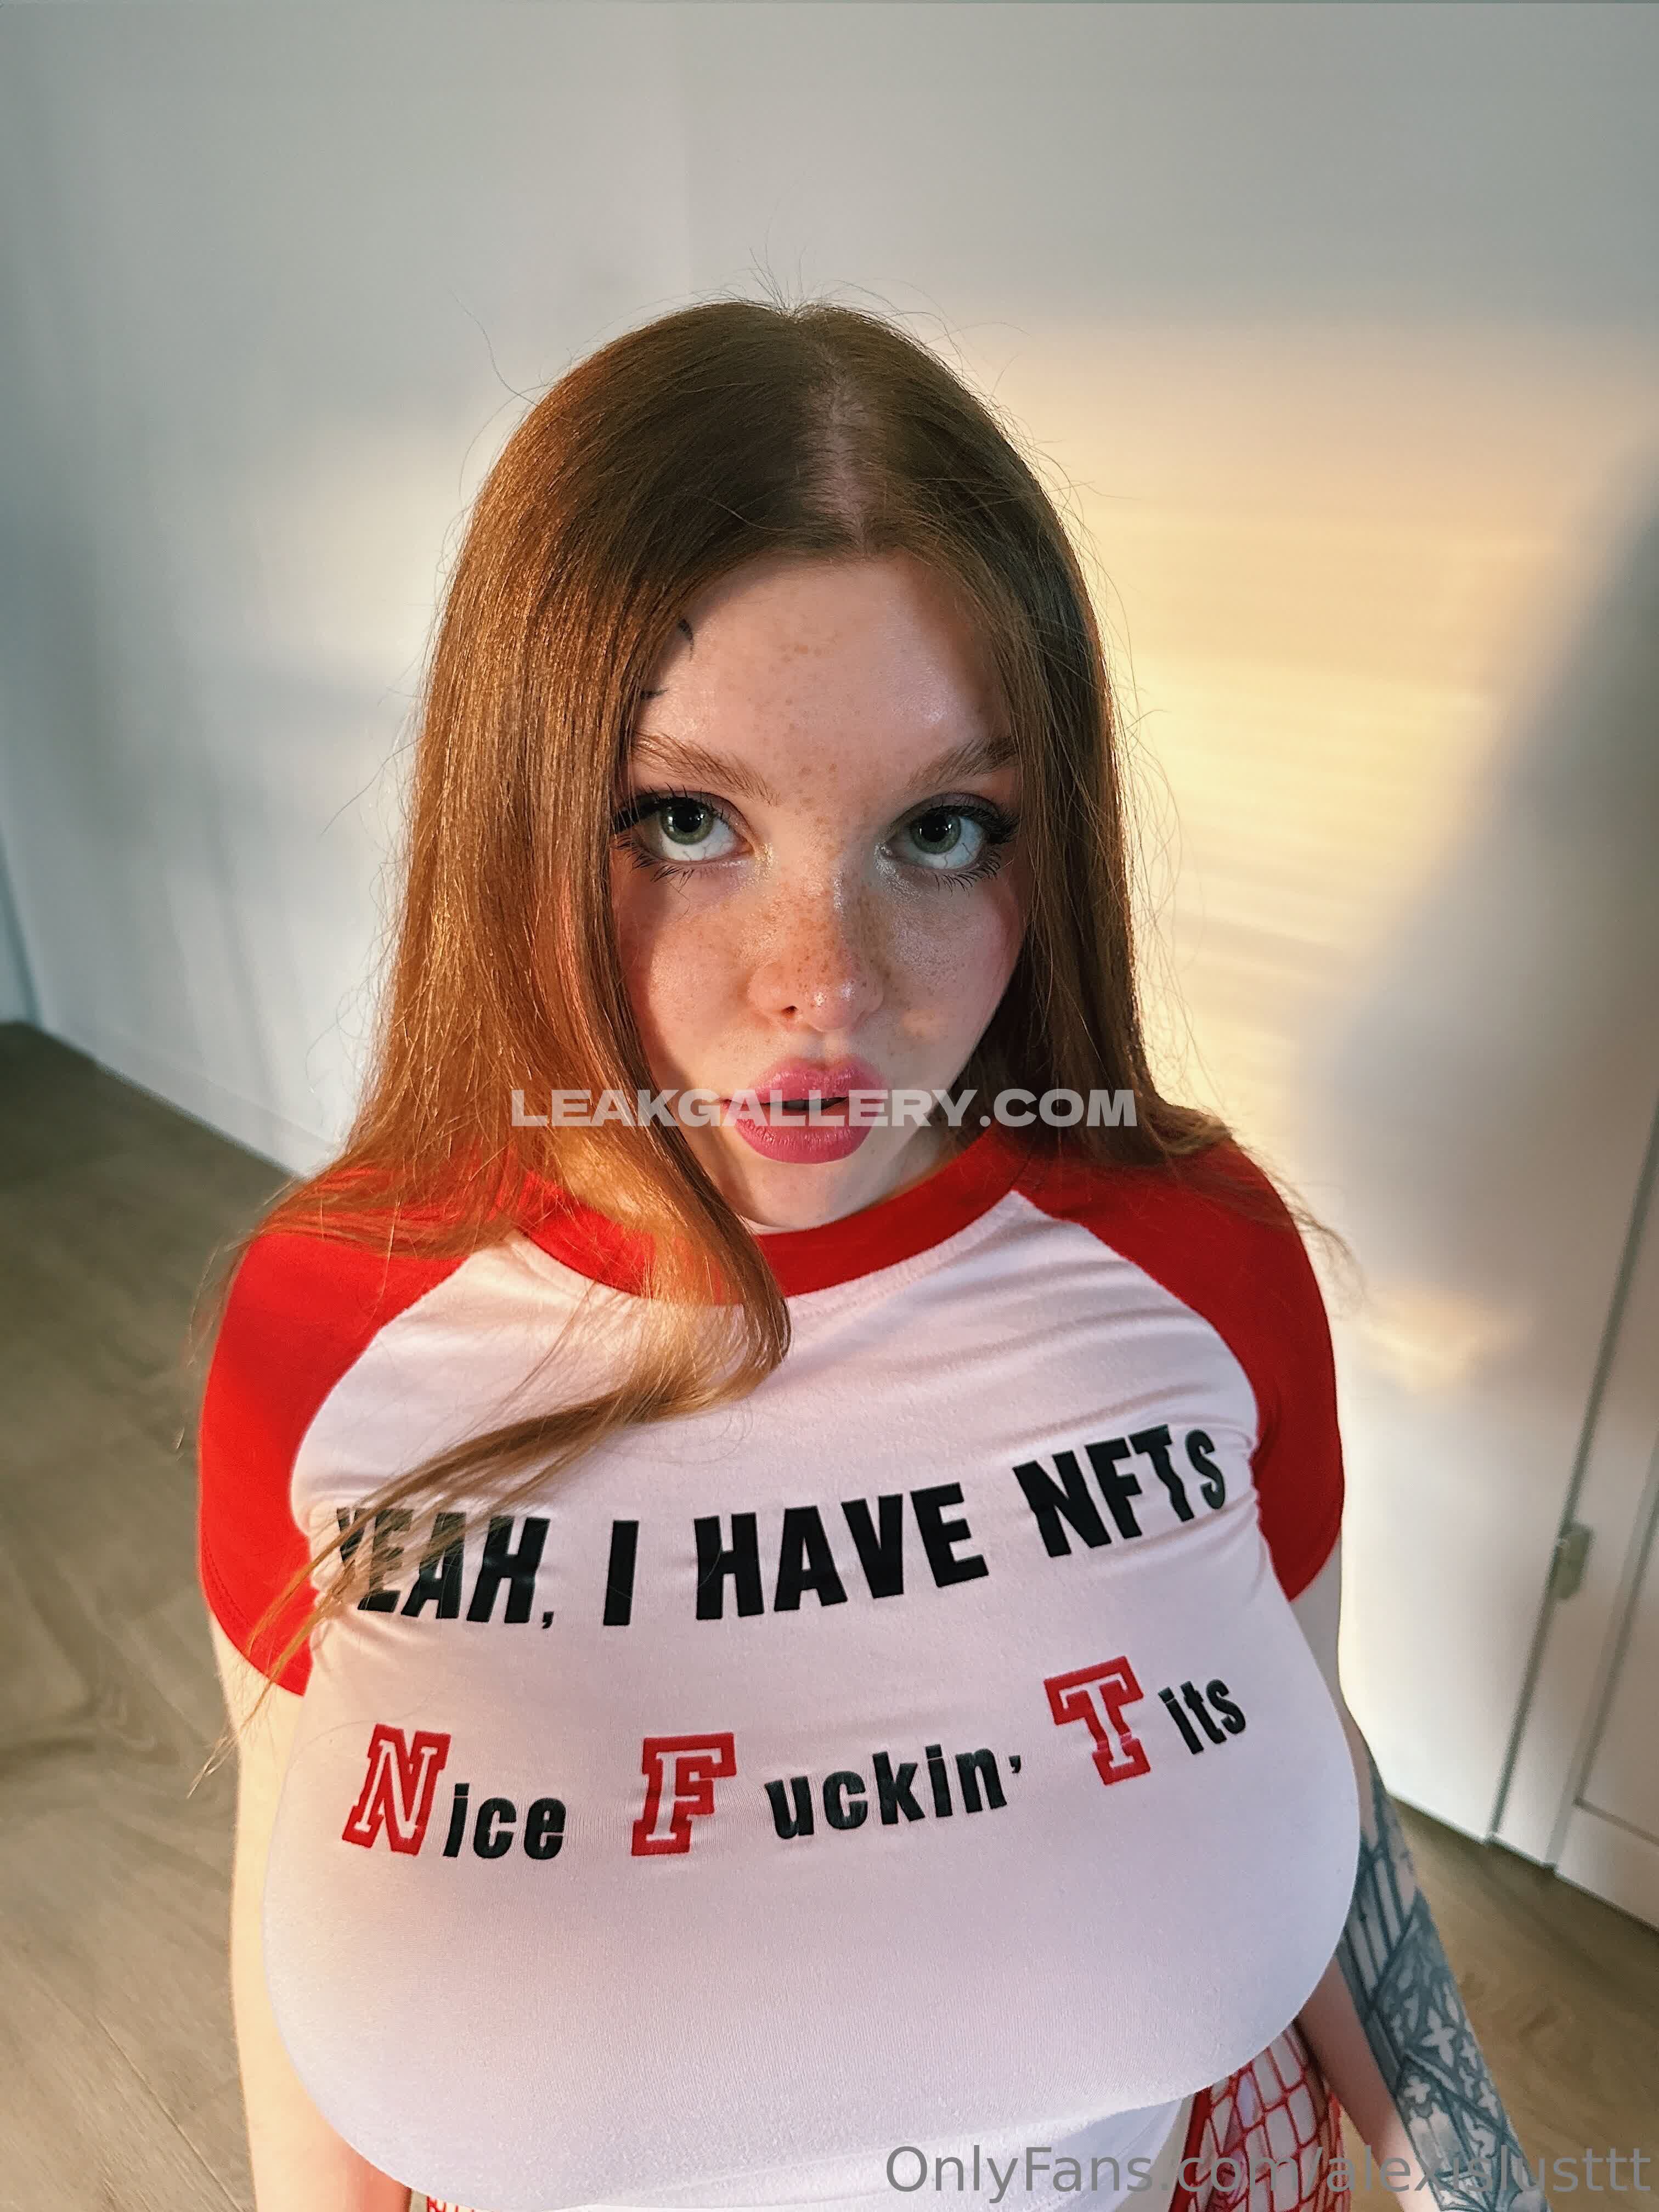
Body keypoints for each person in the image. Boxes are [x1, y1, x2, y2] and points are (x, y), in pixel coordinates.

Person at [195, 296, 1548, 2212]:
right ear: (515, 814)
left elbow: (1294, 1750)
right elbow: (299, 1899)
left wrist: (1485, 2183)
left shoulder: (1200, 1258)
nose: (826, 990)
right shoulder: (331, 1326)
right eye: (686, 819)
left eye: (943, 830)